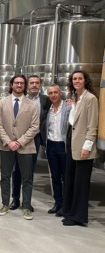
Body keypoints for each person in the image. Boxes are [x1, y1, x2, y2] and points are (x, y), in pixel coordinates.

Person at [0, 75, 39, 221]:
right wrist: (9, 141)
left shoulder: (32, 104)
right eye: (16, 83)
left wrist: (19, 142)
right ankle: (5, 204)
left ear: (24, 85)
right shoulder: (2, 102)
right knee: (5, 176)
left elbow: (34, 127)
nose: (19, 85)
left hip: (25, 147)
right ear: (11, 85)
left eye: (21, 83)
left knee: (27, 178)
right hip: (6, 146)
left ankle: (26, 207)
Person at [61, 70, 98, 226]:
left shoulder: (90, 99)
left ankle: (79, 216)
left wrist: (87, 146)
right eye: (74, 79)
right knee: (70, 179)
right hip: (71, 142)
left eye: (79, 78)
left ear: (85, 80)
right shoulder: (75, 98)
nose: (77, 81)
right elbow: (72, 121)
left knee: (81, 183)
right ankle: (69, 211)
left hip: (82, 145)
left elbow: (92, 125)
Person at [10, 75, 51, 211]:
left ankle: (27, 201)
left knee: (29, 171)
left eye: (37, 83)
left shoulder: (46, 100)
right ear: (27, 85)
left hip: (36, 138)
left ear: (40, 85)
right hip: (20, 138)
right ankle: (15, 199)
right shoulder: (20, 99)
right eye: (32, 83)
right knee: (16, 170)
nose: (34, 85)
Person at [40, 84, 71, 215]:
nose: (53, 95)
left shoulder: (69, 107)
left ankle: (66, 205)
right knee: (55, 177)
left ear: (60, 93)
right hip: (51, 145)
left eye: (55, 92)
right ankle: (58, 203)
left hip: (63, 145)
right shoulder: (48, 109)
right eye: (50, 93)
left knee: (66, 176)